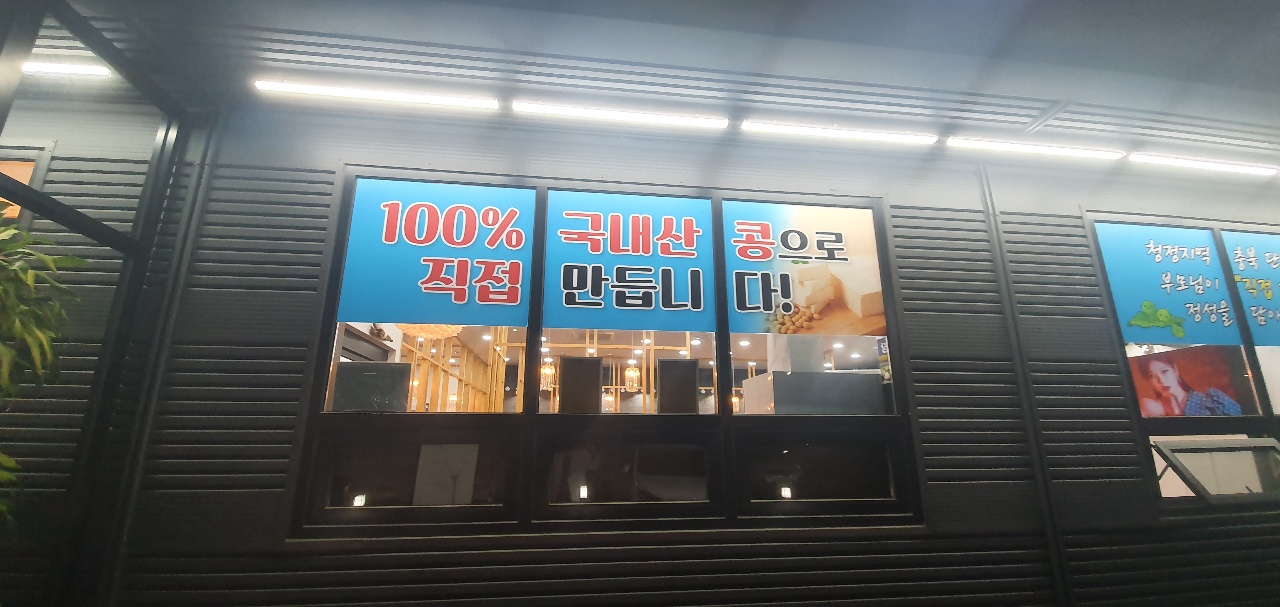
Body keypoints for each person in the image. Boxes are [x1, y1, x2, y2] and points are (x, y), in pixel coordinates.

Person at [1137, 355, 1242, 417]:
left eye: (1165, 371)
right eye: (1151, 376)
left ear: (1175, 370)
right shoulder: (1149, 407)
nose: (1161, 381)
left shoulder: (1212, 400)